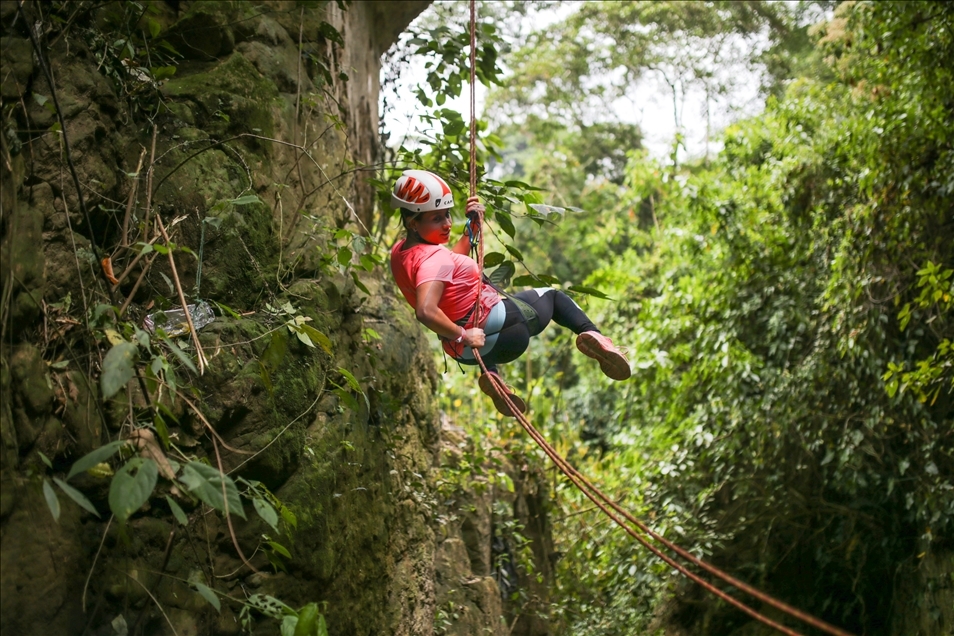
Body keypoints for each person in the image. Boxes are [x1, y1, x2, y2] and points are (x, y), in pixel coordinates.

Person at [389, 169, 630, 416]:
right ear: (412, 222)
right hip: (501, 332)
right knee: (553, 296)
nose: (447, 223)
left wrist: (471, 227)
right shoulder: (434, 259)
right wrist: (464, 335)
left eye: (448, 215)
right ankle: (594, 335)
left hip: (466, 353)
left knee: (473, 322)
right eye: (436, 219)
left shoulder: (400, 253)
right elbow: (426, 310)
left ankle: (491, 375)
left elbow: (446, 268)